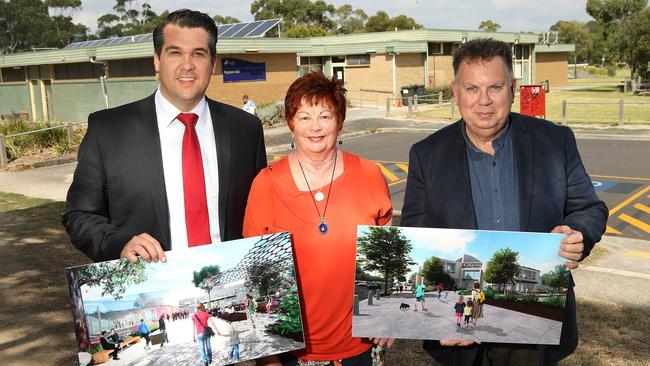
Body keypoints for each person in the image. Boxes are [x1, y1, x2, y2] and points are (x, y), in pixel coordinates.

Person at [401, 38, 608, 365]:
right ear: (456, 92)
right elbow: (415, 235)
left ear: (512, 88)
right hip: (461, 334)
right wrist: (440, 320)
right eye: (471, 88)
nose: (483, 101)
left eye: (495, 87)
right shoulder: (427, 155)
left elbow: (590, 208)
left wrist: (578, 232)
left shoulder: (555, 142)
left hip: (535, 325)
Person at [62, 9, 267, 263]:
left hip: (228, 285)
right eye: (175, 53)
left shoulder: (246, 129)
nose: (187, 65)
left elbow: (263, 212)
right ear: (157, 60)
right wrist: (119, 245)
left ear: (213, 63)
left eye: (199, 54)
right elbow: (80, 214)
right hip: (153, 289)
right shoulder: (108, 130)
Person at [243, 71, 393, 365]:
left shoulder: (369, 174)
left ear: (340, 122)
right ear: (290, 123)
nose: (315, 127)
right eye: (304, 117)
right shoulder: (266, 184)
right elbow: (256, 279)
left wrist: (387, 315)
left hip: (359, 346)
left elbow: (384, 258)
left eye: (325, 116)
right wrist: (267, 358)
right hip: (293, 350)